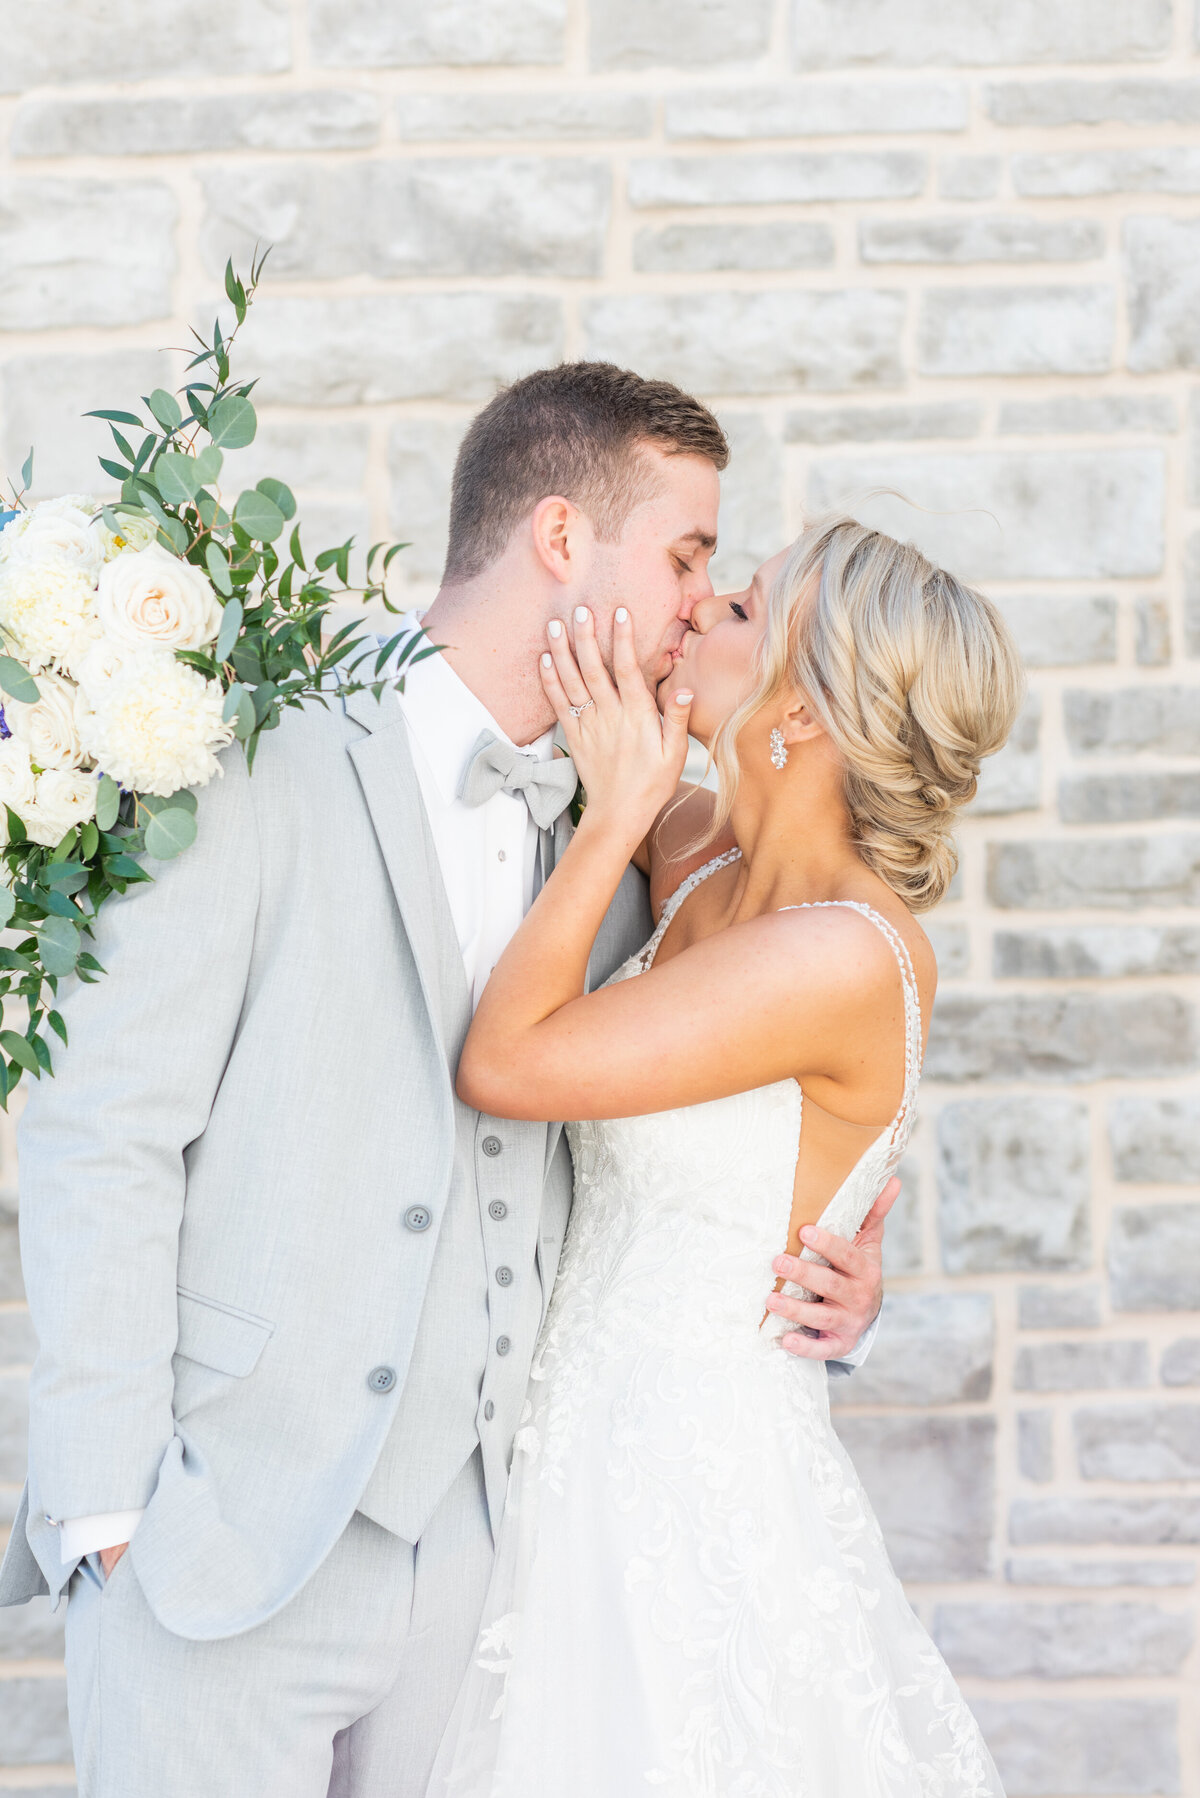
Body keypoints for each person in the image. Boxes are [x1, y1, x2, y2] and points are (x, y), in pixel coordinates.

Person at [0, 365, 894, 1798]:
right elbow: (107, 1129)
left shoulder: (642, 830)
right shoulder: (242, 748)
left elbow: (773, 1087)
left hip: (492, 1577)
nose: (695, 604)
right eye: (685, 557)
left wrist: (841, 1269)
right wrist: (106, 1504)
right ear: (559, 539)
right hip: (220, 1549)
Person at [430, 517, 1023, 1797]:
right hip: (566, 1456)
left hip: (689, 1494)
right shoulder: (710, 858)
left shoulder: (845, 956)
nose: (698, 614)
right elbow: (621, 723)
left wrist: (611, 819)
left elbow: (509, 1066)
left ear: (802, 714)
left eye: (743, 609)